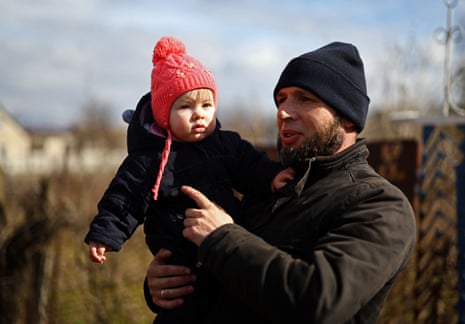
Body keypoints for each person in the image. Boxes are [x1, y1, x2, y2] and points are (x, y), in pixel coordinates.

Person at [145, 41, 417, 323]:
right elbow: (228, 276)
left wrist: (222, 237)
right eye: (282, 99)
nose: (283, 112)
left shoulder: (380, 205)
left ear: (346, 117)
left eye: (305, 99)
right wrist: (167, 282)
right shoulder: (267, 187)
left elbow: (319, 299)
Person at [84, 36, 292, 323]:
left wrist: (272, 177)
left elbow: (250, 164)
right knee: (181, 311)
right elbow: (123, 200)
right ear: (163, 113)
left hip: (225, 245)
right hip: (178, 258)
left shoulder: (225, 144)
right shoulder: (148, 160)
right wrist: (105, 235)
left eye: (207, 106)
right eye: (186, 107)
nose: (199, 116)